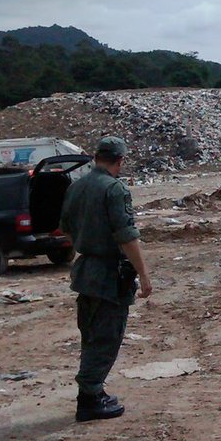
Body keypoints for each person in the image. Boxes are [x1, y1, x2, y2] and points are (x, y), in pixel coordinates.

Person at [59, 136, 153, 422]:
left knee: (90, 334)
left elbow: (66, 229)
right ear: (120, 160)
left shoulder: (76, 187)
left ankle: (91, 392)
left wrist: (87, 243)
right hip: (109, 275)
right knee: (107, 336)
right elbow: (126, 237)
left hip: (86, 271)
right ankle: (90, 396)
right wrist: (144, 276)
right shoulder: (114, 189)